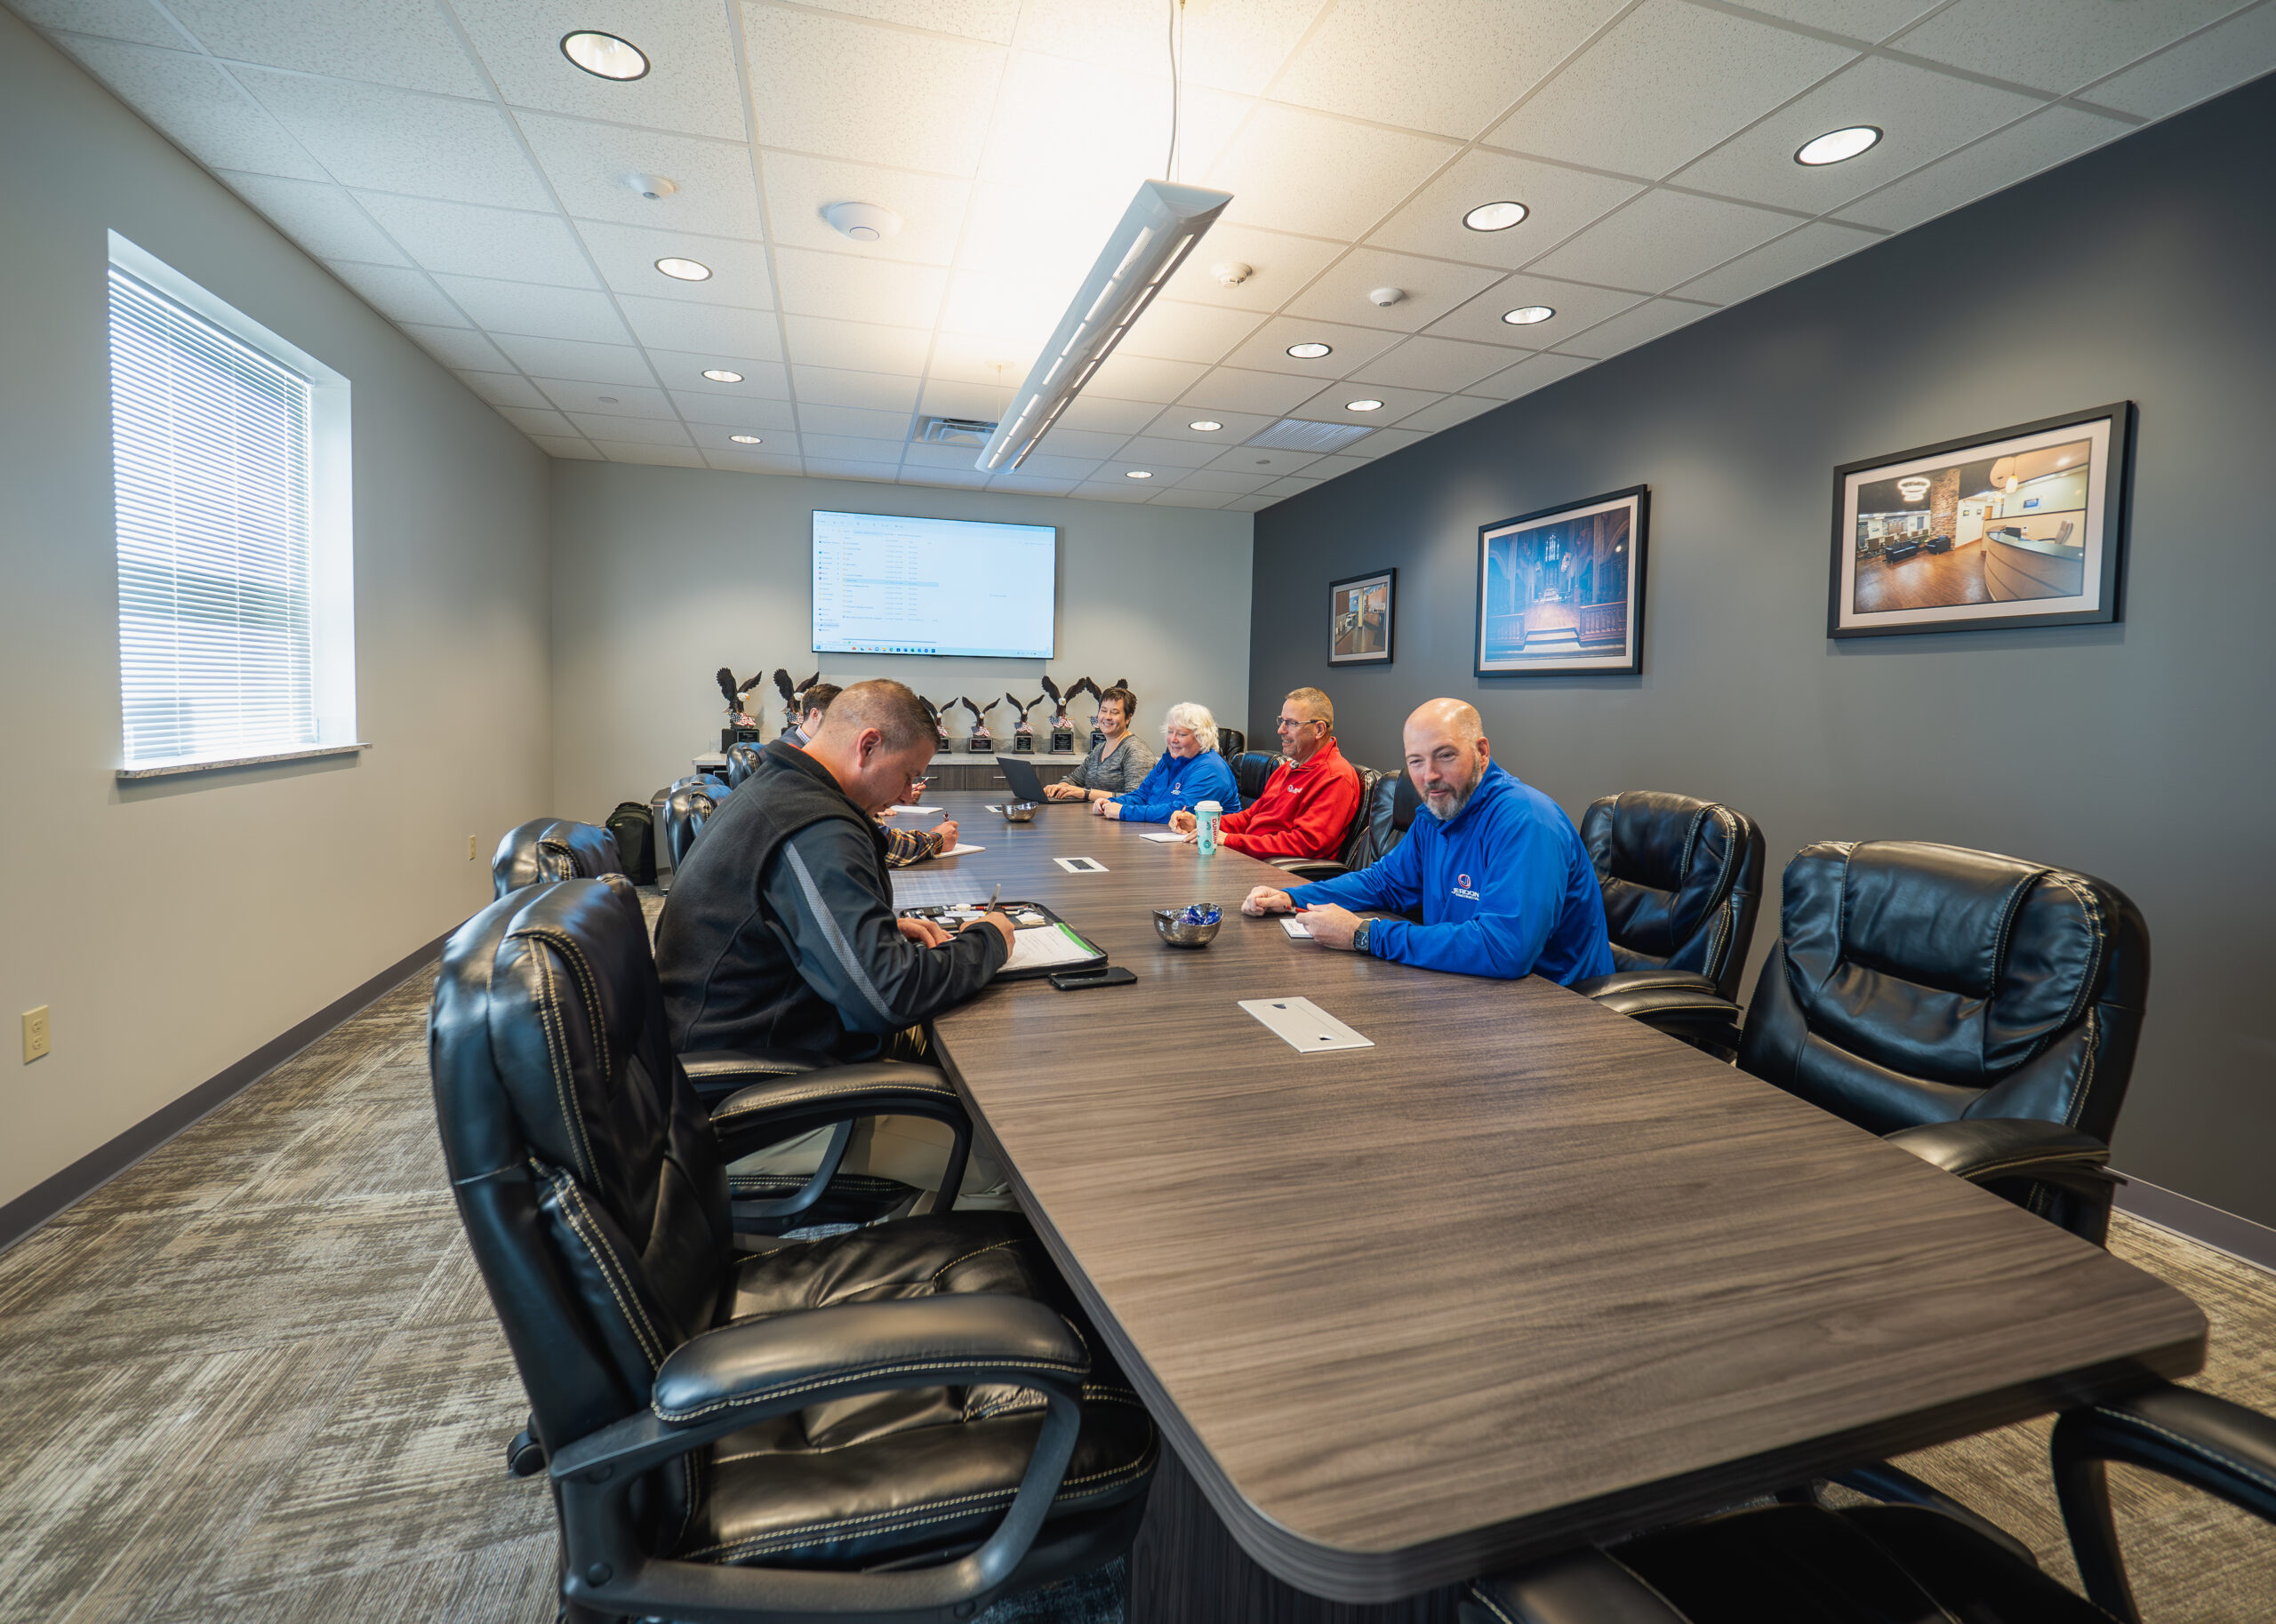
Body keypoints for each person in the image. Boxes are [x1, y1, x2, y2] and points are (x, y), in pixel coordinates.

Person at [1240, 698, 1615, 985]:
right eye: (1415, 761)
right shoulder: (1438, 812)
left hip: (1554, 1010)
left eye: (1446, 756)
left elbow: (1505, 949)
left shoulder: (1526, 821)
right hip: (1462, 987)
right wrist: (1294, 897)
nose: (1430, 775)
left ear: (1482, 752)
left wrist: (1364, 935)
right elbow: (1383, 882)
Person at [1169, 686, 1361, 860]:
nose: (1280, 730)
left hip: (1280, 873)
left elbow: (1306, 844)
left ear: (1319, 729)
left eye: (1291, 723)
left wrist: (1230, 840)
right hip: (1251, 857)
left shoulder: (1335, 776)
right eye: (1281, 721)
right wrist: (1203, 824)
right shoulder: (1288, 768)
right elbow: (1251, 817)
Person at [1095, 702, 1241, 823]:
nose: (1173, 739)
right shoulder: (1169, 760)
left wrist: (1123, 811)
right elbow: (1142, 795)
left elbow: (1179, 813)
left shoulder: (1210, 768)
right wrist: (1110, 803)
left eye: (1182, 734)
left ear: (1201, 738)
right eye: (1170, 732)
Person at [1044, 684, 1155, 800]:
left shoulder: (1136, 751)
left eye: (1115, 712)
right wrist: (1060, 787)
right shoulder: (1099, 749)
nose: (1107, 717)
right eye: (1103, 710)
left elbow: (1137, 799)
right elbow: (1074, 779)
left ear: (1128, 718)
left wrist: (1085, 793)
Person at [784, 681, 841, 748]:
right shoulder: (785, 753)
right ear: (815, 714)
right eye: (836, 717)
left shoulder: (828, 746)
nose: (840, 725)